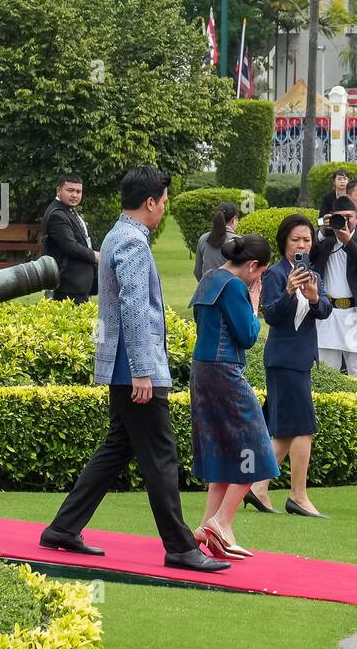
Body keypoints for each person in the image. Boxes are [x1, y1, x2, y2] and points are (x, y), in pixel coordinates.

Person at [39, 167, 228, 574]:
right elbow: (133, 307)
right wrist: (143, 370)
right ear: (150, 203)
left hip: (126, 368)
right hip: (136, 372)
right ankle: (179, 546)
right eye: (163, 201)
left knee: (117, 448)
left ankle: (63, 528)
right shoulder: (133, 242)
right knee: (161, 457)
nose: (164, 208)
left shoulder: (115, 235)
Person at [189, 234, 280, 559]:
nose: (259, 281)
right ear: (253, 265)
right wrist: (254, 305)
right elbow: (247, 336)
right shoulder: (235, 286)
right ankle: (222, 523)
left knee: (221, 452)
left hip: (201, 372)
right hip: (225, 372)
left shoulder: (210, 278)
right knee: (255, 451)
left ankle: (206, 528)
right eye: (261, 274)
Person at [246, 215, 334, 518]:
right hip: (283, 360)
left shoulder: (313, 275)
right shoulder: (274, 275)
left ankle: (257, 488)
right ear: (284, 241)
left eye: (307, 240)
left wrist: (312, 298)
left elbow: (324, 310)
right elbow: (270, 315)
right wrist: (287, 292)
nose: (301, 244)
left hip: (301, 359)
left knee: (284, 432)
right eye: (296, 239)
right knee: (304, 428)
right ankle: (298, 496)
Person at [311, 193, 357, 379]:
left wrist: (348, 242)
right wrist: (321, 231)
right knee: (327, 374)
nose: (344, 221)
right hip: (328, 314)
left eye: (348, 217)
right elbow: (308, 256)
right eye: (339, 217)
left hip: (355, 315)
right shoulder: (325, 242)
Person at [40, 174, 99, 304]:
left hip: (77, 284)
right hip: (68, 285)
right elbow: (70, 247)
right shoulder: (57, 214)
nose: (75, 195)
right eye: (70, 190)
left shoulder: (68, 211)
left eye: (78, 191)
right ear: (59, 191)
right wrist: (95, 256)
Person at [194, 201, 240, 282]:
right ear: (234, 219)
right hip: (230, 290)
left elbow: (197, 271)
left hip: (207, 290)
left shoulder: (203, 239)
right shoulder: (238, 242)